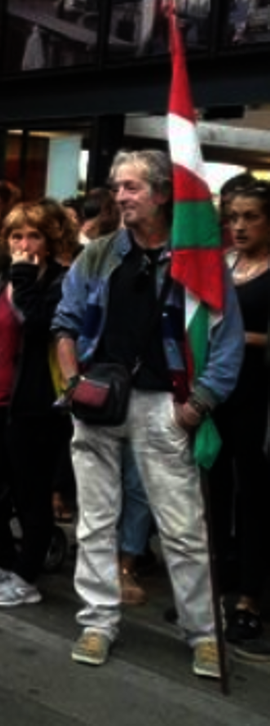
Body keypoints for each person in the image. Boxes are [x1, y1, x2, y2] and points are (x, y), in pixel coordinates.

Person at [53, 149, 243, 679]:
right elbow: (64, 321)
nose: (120, 196)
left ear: (163, 194)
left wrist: (198, 403)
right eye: (117, 187)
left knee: (183, 528)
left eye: (132, 187)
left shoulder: (198, 261)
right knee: (95, 523)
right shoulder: (99, 254)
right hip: (97, 401)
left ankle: (204, 632)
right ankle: (97, 621)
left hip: (166, 404)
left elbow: (226, 343)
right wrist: (72, 384)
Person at [0, 201, 71, 608]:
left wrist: (25, 277)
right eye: (17, 236)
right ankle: (7, 561)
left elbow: (41, 324)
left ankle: (27, 577)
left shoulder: (60, 281)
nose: (25, 244)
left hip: (35, 408)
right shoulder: (4, 280)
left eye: (34, 235)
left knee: (31, 495)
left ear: (49, 239)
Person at [216, 180, 270, 661]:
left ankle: (251, 597)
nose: (238, 225)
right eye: (233, 216)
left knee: (252, 497)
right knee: (211, 491)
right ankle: (218, 583)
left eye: (250, 216)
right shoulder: (225, 267)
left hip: (259, 401)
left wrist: (239, 337)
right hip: (217, 397)